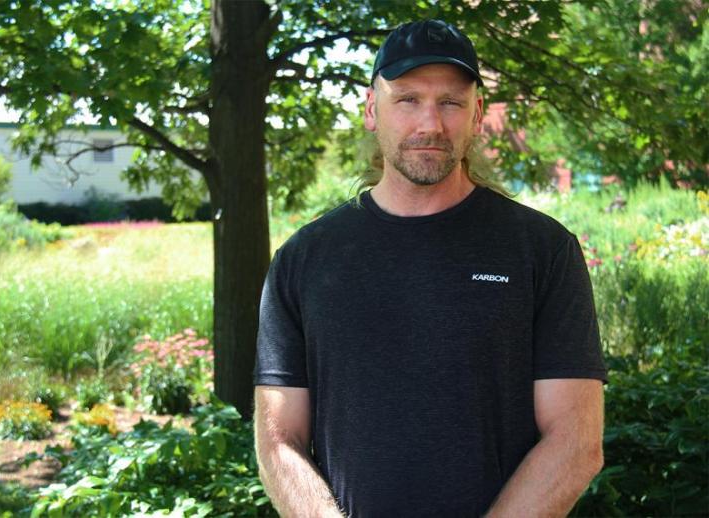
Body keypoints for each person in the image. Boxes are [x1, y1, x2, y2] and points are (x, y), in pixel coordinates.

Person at [253, 19, 606, 518]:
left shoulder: (541, 251)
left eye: (450, 102)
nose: (430, 125)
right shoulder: (306, 261)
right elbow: (278, 441)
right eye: (408, 99)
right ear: (372, 110)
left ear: (477, 113)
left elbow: (575, 442)